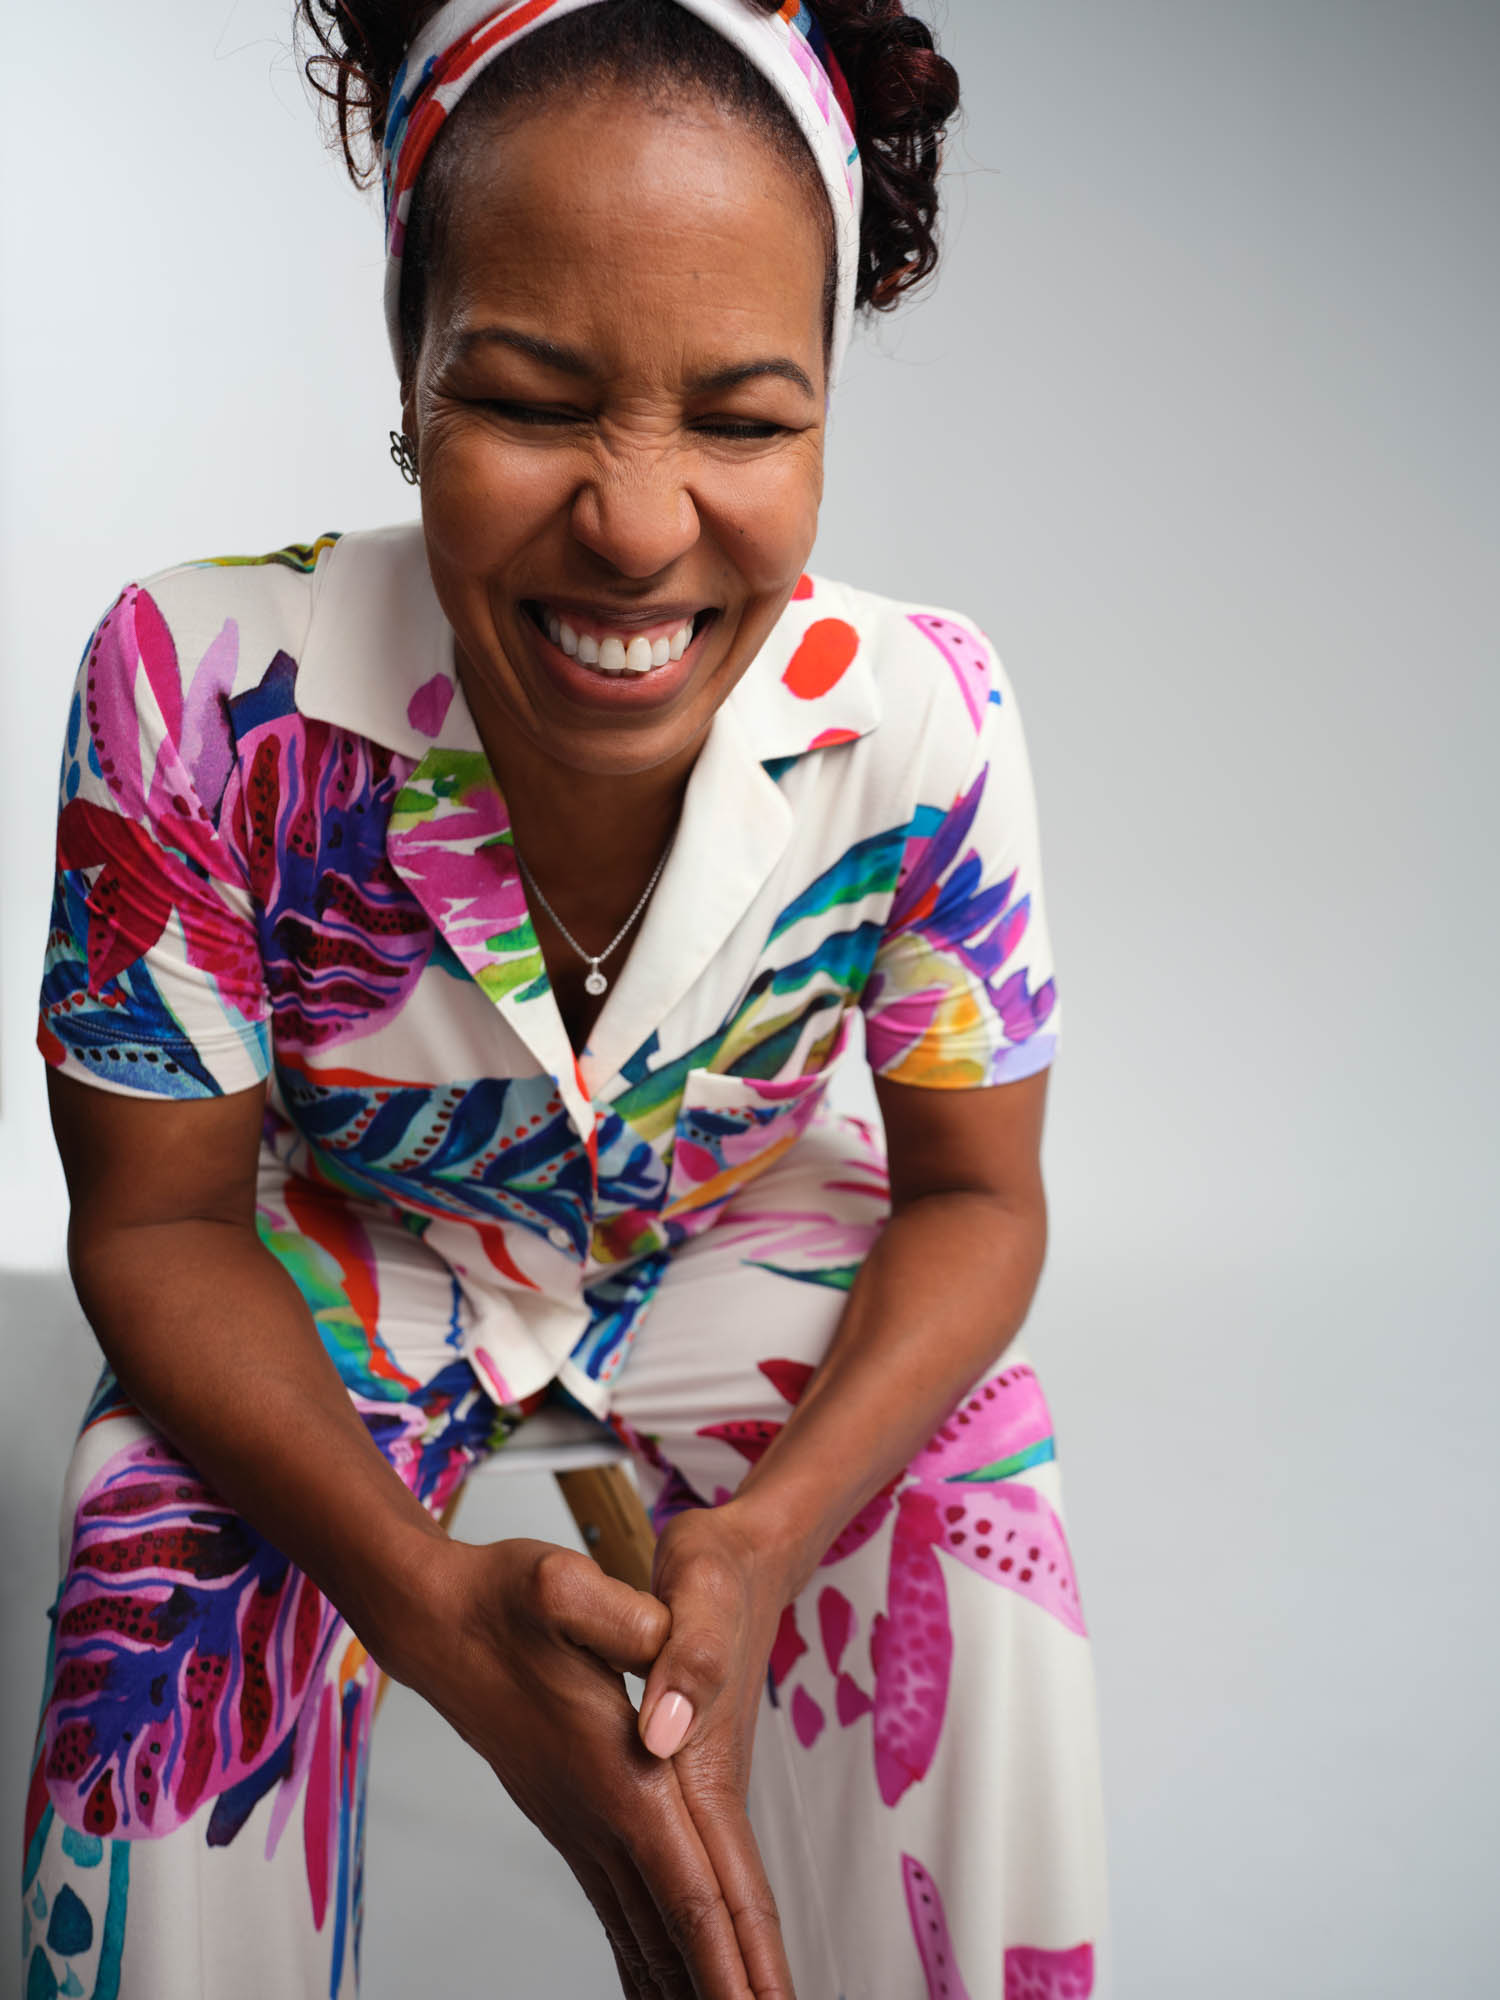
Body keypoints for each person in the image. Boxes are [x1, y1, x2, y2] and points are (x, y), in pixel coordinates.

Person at [21, 2, 1110, 1994]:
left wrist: (768, 1541)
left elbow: (975, 1192)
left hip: (737, 1231)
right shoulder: (190, 685)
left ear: (826, 417)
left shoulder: (932, 715)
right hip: (369, 1234)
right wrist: (438, 1610)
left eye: (743, 419)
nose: (635, 515)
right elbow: (158, 1217)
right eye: (531, 398)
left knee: (968, 1477)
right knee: (154, 1522)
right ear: (409, 376)